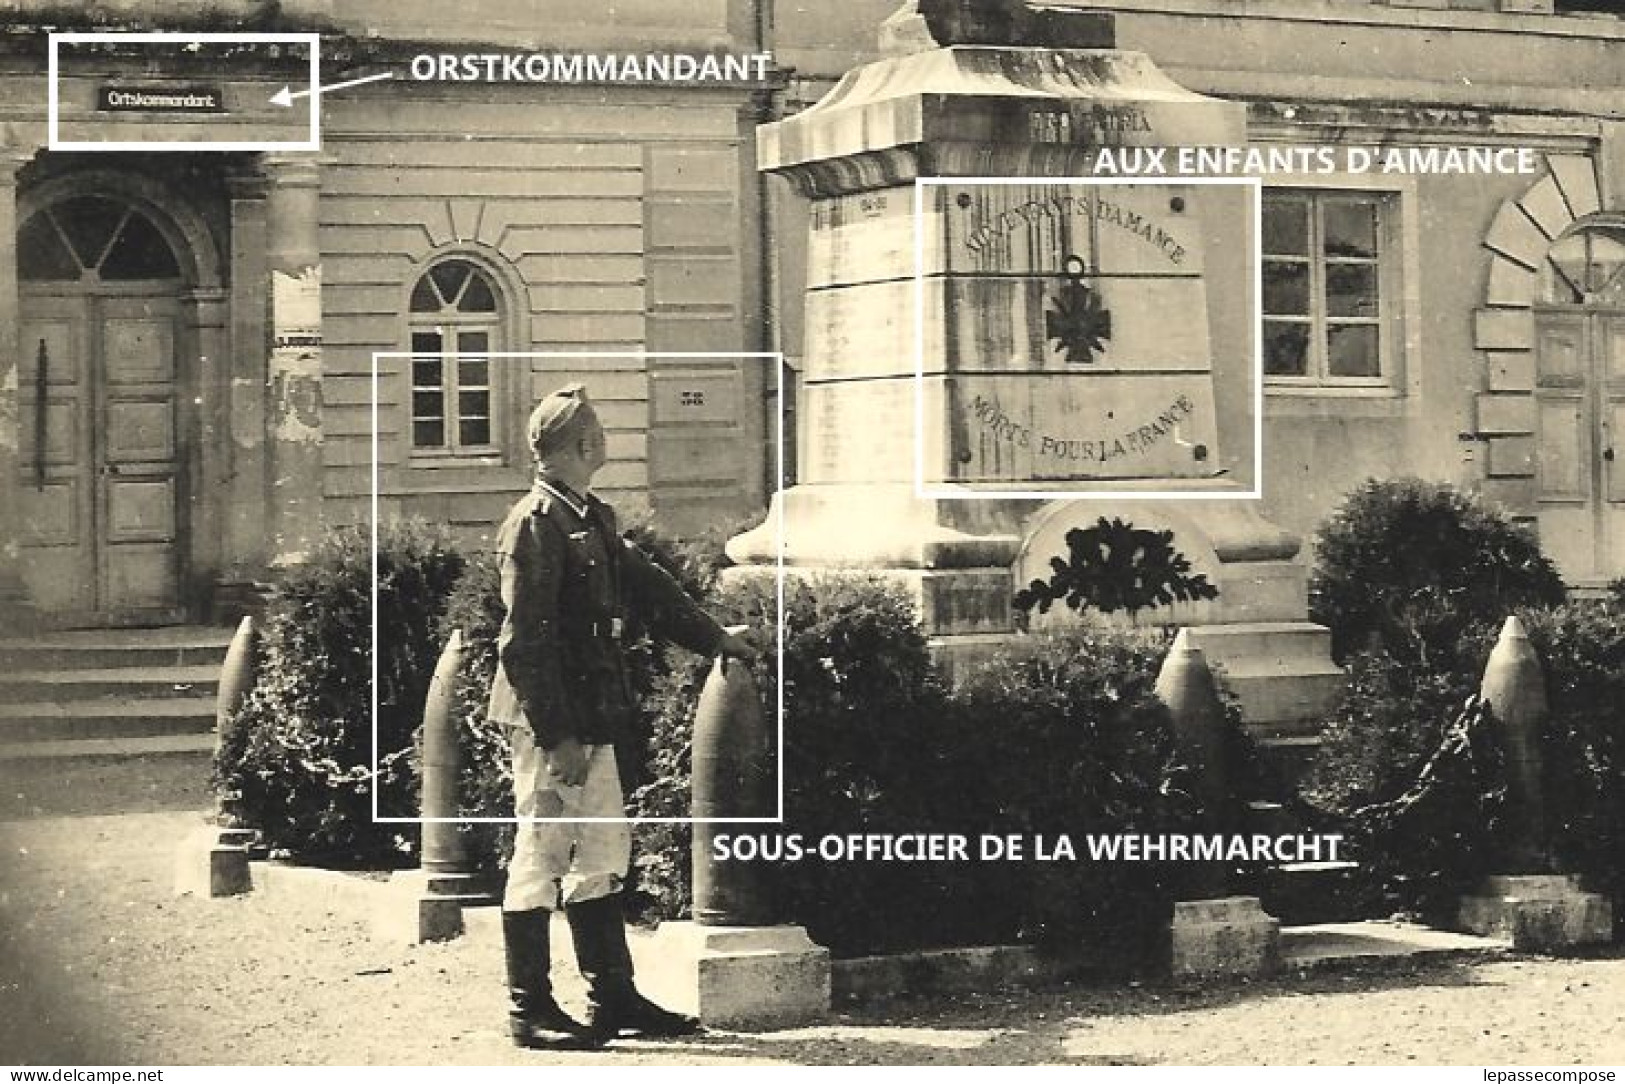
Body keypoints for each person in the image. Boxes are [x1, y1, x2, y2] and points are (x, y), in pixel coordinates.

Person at [488, 382, 758, 1050]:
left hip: (593, 715)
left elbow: (650, 590)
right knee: (541, 853)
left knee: (603, 853)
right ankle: (529, 1011)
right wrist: (557, 737)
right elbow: (523, 645)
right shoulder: (533, 525)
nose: (605, 440)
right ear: (583, 445)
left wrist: (714, 638)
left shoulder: (589, 517)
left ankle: (612, 997)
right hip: (550, 724)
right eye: (599, 433)